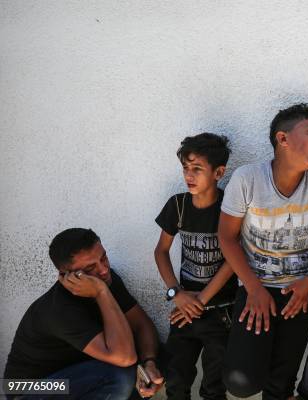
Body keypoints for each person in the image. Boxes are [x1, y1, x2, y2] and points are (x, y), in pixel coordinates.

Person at [219, 103, 308, 399]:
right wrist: (253, 289)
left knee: (281, 383)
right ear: (282, 139)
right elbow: (227, 237)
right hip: (254, 287)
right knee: (241, 382)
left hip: (300, 292)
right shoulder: (248, 179)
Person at [3, 228, 164, 399]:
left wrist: (150, 362)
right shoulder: (60, 310)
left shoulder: (106, 278)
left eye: (104, 258)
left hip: (76, 376)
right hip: (26, 389)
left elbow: (141, 325)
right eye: (90, 268)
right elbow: (125, 358)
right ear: (67, 276)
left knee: (160, 359)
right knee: (120, 376)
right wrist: (102, 293)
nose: (103, 270)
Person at [154, 132, 238, 400]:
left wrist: (201, 299)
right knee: (176, 381)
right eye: (186, 168)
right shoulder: (178, 206)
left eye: (197, 169)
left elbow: (233, 263)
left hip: (220, 311)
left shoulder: (230, 208)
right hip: (184, 308)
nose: (189, 175)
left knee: (214, 387)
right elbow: (161, 251)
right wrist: (175, 293)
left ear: (218, 172)